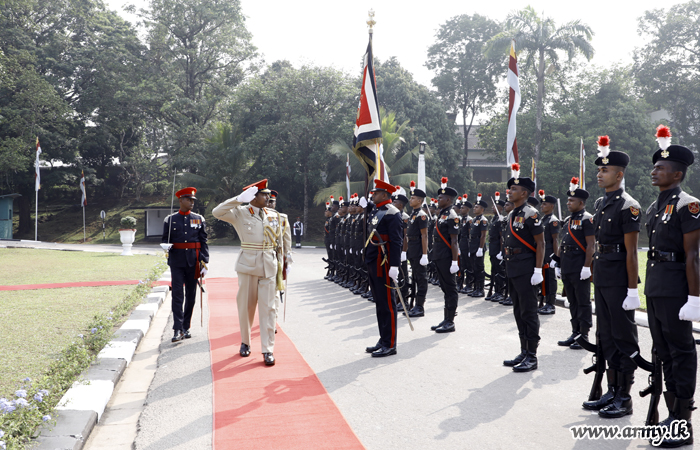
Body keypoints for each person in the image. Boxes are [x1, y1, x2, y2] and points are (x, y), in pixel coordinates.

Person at [643, 126, 699, 446]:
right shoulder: (654, 207)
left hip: (676, 290)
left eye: (660, 168)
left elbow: (693, 256)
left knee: (681, 352)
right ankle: (670, 415)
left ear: (676, 174)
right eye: (654, 166)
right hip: (655, 288)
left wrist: (694, 298)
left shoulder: (688, 205)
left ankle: (684, 422)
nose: (654, 171)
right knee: (663, 352)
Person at [584, 135, 641, 418]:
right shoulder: (600, 202)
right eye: (598, 170)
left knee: (622, 336)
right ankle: (611, 390)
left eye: (604, 170)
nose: (599, 173)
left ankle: (625, 396)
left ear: (618, 175)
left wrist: (633, 290)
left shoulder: (628, 205)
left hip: (619, 279)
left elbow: (631, 253)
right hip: (604, 276)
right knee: (605, 336)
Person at [212, 179, 284, 366]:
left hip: (269, 265)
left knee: (269, 308)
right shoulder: (240, 213)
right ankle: (245, 341)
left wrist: (283, 263)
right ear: (252, 196)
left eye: (268, 194)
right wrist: (238, 199)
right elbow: (217, 212)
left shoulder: (273, 214)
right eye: (263, 194)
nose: (268, 197)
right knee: (246, 306)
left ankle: (268, 349)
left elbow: (279, 242)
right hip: (248, 265)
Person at [502, 164, 545, 372]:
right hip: (513, 267)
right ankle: (523, 349)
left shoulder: (531, 213)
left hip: (527, 268)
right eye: (510, 189)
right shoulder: (512, 214)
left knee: (529, 312)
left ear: (525, 193)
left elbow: (541, 244)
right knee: (518, 311)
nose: (509, 191)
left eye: (514, 189)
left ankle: (532, 355)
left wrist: (538, 270)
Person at [162, 187, 209, 343]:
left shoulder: (199, 219)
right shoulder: (170, 219)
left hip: (193, 261)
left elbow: (203, 241)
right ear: (180, 200)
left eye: (193, 200)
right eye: (189, 200)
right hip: (176, 261)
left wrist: (204, 261)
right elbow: (164, 240)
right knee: (177, 294)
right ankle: (177, 329)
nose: (192, 202)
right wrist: (165, 246)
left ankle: (186, 326)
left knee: (191, 295)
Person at [362, 180, 404, 357]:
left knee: (388, 304)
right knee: (379, 303)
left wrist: (395, 265)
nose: (372, 195)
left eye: (376, 193)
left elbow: (396, 241)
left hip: (385, 264)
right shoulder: (378, 210)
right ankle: (383, 338)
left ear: (385, 195)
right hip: (374, 262)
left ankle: (390, 344)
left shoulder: (393, 213)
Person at [554, 177, 594, 350]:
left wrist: (587, 267)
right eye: (568, 200)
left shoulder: (587, 219)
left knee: (582, 300)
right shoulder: (569, 220)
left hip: (580, 264)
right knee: (572, 300)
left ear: (581, 202)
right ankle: (575, 332)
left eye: (572, 200)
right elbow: (564, 244)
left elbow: (591, 245)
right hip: (568, 264)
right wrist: (558, 263)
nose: (568, 203)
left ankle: (584, 334)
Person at [429, 177, 461, 333]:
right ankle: (446, 318)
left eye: (441, 198)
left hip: (447, 257)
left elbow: (454, 241)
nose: (438, 199)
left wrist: (455, 261)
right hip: (439, 255)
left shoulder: (452, 215)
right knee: (445, 288)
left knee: (450, 288)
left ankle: (450, 321)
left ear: (448, 199)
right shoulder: (442, 213)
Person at [406, 181, 430, 317]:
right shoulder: (413, 214)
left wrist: (425, 254)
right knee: (414, 278)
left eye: (413, 198)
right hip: (413, 251)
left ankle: (420, 306)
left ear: (420, 201)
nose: (411, 199)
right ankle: (414, 305)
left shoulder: (421, 215)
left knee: (421, 279)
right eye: (411, 197)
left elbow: (424, 235)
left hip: (419, 251)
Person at [537, 189, 560, 315]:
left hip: (550, 254)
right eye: (542, 204)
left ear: (551, 206)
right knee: (544, 280)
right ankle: (543, 302)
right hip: (543, 254)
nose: (542, 206)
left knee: (550, 280)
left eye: (545, 204)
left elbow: (556, 240)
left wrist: (555, 258)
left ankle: (551, 304)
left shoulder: (553, 220)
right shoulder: (544, 219)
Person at [486, 192, 506, 302]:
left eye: (495, 206)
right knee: (494, 270)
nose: (493, 207)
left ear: (501, 208)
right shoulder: (494, 219)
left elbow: (501, 237)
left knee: (499, 271)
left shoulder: (500, 219)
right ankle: (496, 291)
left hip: (498, 248)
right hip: (493, 249)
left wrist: (500, 251)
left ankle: (500, 291)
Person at [469, 194, 489, 298]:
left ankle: (481, 289)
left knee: (479, 269)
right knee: (474, 268)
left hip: (478, 246)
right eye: (474, 206)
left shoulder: (483, 220)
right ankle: (476, 288)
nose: (474, 208)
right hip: (472, 246)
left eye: (476, 207)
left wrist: (480, 248)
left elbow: (483, 235)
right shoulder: (473, 220)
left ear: (482, 209)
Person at [458, 195, 473, 294]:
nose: (461, 209)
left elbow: (470, 234)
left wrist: (469, 248)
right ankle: (459, 283)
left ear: (467, 209)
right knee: (461, 266)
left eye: (463, 208)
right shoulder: (459, 219)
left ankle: (469, 284)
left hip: (467, 245)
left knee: (468, 266)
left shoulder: (469, 219)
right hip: (461, 244)